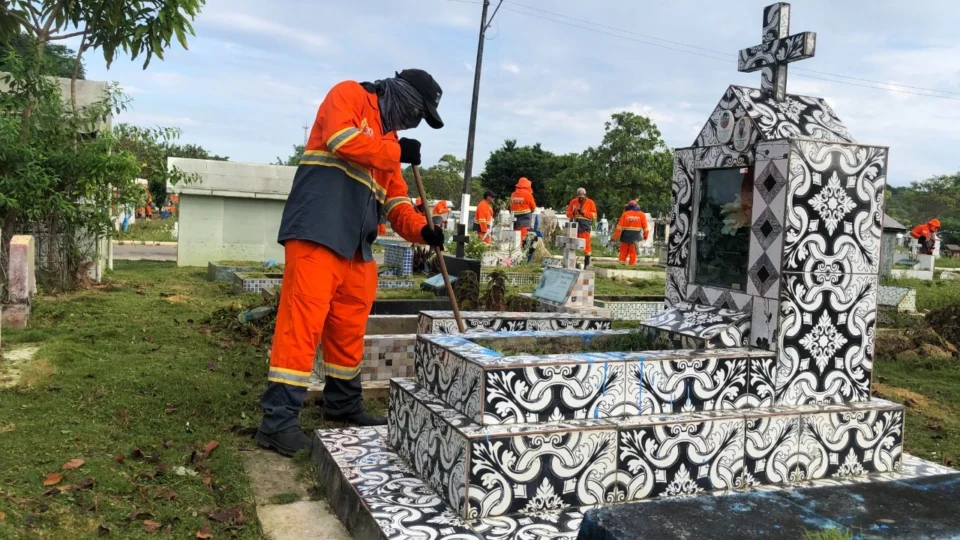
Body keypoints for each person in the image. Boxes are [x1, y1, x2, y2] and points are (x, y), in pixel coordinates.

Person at [256, 69, 446, 457]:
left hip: (357, 245)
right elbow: (342, 141)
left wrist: (423, 231)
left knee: (348, 326)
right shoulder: (349, 96)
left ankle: (342, 405)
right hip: (317, 231)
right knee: (301, 324)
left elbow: (396, 204)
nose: (413, 121)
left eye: (420, 119)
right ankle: (277, 422)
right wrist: (396, 152)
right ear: (399, 92)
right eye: (415, 111)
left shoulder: (390, 143)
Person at [566, 187, 598, 267]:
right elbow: (567, 214)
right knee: (572, 243)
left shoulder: (591, 202)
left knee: (586, 244)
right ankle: (571, 264)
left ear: (585, 195)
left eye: (582, 196)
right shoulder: (573, 201)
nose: (580, 198)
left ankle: (586, 266)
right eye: (579, 196)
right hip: (574, 223)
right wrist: (573, 213)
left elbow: (594, 215)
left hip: (585, 224)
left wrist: (584, 213)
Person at [613, 200, 649, 266]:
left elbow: (619, 227)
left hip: (625, 237)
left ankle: (621, 266)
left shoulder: (625, 214)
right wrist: (645, 236)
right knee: (633, 253)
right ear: (637, 206)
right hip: (635, 237)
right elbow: (645, 228)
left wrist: (615, 237)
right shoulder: (641, 214)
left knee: (623, 252)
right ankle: (631, 266)